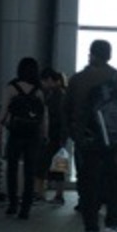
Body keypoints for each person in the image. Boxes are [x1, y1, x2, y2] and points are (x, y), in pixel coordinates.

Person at [65, 38, 117, 232]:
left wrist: (75, 134)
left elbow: (66, 110)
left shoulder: (78, 80)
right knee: (114, 181)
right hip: (115, 139)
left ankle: (91, 229)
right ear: (109, 55)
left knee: (88, 183)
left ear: (91, 54)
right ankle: (113, 224)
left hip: (87, 140)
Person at [0, 57, 47, 219]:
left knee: (12, 168)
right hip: (33, 134)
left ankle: (13, 204)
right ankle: (26, 207)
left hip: (16, 133)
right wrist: (45, 134)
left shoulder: (11, 88)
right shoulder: (38, 90)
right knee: (30, 171)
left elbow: (3, 112)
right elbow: (44, 116)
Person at [37, 67, 69, 205]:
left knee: (42, 164)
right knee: (59, 165)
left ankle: (40, 194)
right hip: (60, 136)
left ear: (50, 79)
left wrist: (45, 133)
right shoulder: (62, 93)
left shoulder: (55, 96)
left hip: (52, 134)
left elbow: (50, 117)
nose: (43, 84)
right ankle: (59, 195)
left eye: (44, 81)